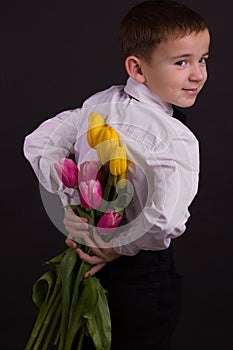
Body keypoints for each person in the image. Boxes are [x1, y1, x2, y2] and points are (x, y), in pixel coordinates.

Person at [23, 0, 210, 349]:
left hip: (87, 263)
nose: (198, 74)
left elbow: (39, 143)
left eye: (202, 59)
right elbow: (166, 220)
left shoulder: (99, 103)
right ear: (137, 69)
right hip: (142, 277)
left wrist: (73, 209)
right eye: (181, 62)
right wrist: (116, 244)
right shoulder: (173, 135)